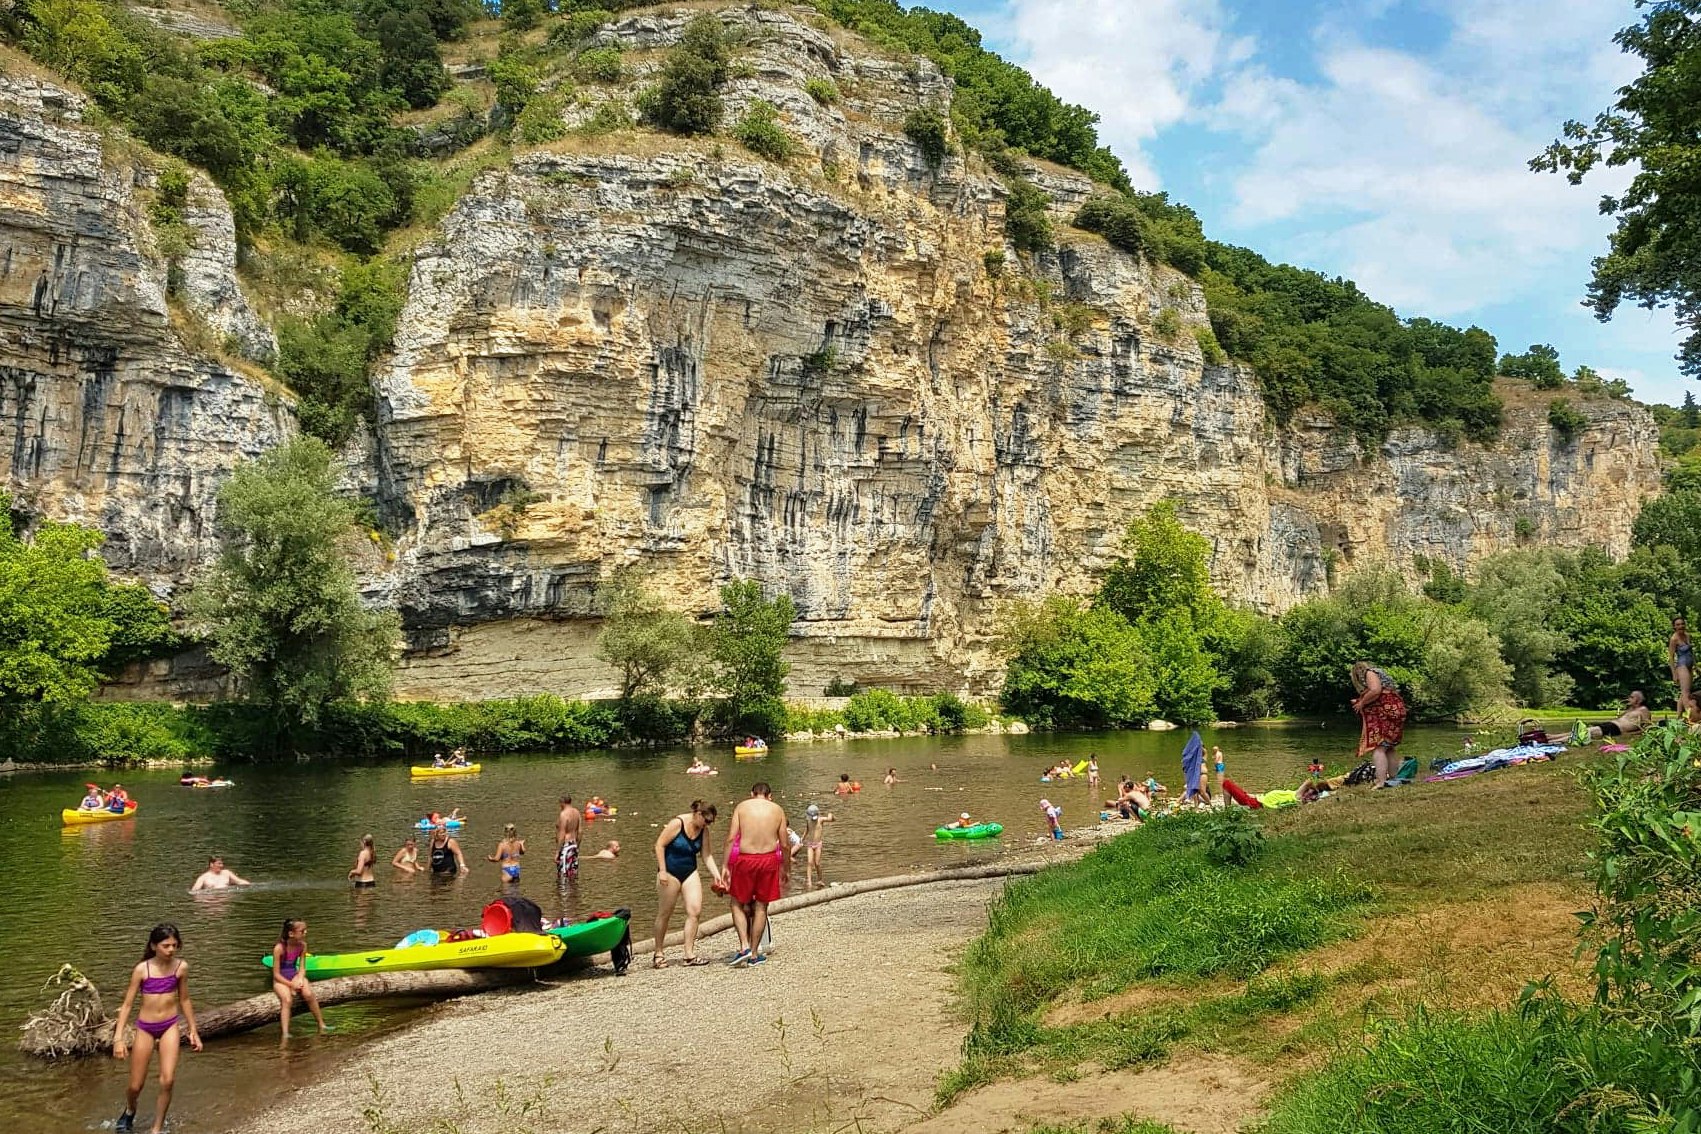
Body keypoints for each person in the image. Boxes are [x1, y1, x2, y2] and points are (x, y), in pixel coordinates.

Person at [111, 924, 201, 1134]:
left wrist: (193, 1029)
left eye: (174, 945)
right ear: (153, 946)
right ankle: (131, 1109)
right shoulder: (143, 969)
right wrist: (118, 1039)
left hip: (170, 1025)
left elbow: (185, 999)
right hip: (145, 1028)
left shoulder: (181, 967)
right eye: (165, 945)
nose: (171, 950)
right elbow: (127, 1005)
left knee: (167, 1079)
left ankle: (156, 1128)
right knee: (135, 1086)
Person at [652, 800, 723, 968]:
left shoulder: (704, 831)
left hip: (690, 871)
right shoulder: (677, 823)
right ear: (698, 814)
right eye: (707, 821)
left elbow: (706, 855)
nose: (708, 825)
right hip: (669, 871)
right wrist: (662, 870)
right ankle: (658, 953)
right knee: (665, 913)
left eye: (711, 822)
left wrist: (717, 875)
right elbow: (659, 845)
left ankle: (689, 954)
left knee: (695, 910)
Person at [726, 783, 787, 967]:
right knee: (762, 905)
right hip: (768, 860)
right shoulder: (778, 810)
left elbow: (730, 838)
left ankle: (744, 946)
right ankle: (754, 954)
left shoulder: (742, 807)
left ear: (752, 794)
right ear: (770, 795)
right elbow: (784, 843)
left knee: (736, 901)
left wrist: (725, 865)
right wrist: (786, 868)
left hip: (746, 858)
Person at [1350, 661, 1409, 788]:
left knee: (1379, 747)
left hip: (1387, 711)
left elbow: (1376, 690)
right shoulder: (1379, 672)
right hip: (1397, 710)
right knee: (1389, 746)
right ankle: (1394, 778)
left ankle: (1381, 781)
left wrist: (1362, 703)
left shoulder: (1369, 673)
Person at [270, 918, 330, 1040]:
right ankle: (285, 1033)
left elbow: (302, 968)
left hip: (295, 975)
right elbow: (276, 974)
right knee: (287, 1000)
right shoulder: (279, 948)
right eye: (302, 931)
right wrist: (291, 985)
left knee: (308, 994)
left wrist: (300, 979)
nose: (305, 933)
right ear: (291, 934)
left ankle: (321, 1024)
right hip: (281, 980)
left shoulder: (302, 946)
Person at [1588, 691, 1654, 741]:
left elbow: (1647, 727)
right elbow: (1620, 719)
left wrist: (1632, 734)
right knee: (1591, 730)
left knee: (1592, 731)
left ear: (1639, 700)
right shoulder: (1630, 709)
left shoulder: (1643, 710)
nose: (1629, 699)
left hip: (1617, 728)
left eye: (1632, 697)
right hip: (1612, 725)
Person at [798, 803, 834, 888]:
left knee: (817, 863)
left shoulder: (820, 820)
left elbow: (830, 819)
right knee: (809, 862)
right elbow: (807, 830)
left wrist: (830, 814)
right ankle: (809, 881)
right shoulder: (808, 820)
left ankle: (820, 879)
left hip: (818, 844)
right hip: (810, 844)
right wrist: (802, 838)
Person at [556, 795, 583, 881]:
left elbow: (561, 834)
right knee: (573, 874)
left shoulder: (563, 814)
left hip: (566, 847)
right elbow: (580, 831)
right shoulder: (577, 812)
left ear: (562, 803)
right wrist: (577, 846)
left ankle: (563, 894)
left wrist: (557, 852)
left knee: (563, 875)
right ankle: (574, 893)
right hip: (574, 845)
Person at [1671, 617, 1693, 713]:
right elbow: (1671, 657)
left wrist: (1696, 666)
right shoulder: (1674, 639)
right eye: (1678, 625)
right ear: (1674, 627)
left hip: (1690, 664)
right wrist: (1674, 674)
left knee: (1684, 692)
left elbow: (1691, 652)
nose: (1681, 626)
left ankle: (1679, 718)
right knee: (1686, 693)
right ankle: (1690, 718)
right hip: (1682, 665)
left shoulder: (1687, 636)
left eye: (1682, 624)